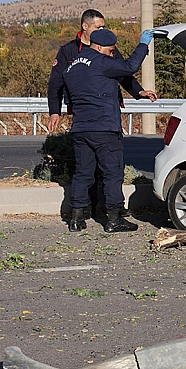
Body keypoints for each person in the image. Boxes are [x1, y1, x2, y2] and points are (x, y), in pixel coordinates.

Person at [62, 28, 154, 232]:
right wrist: (143, 44)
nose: (112, 54)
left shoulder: (71, 68)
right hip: (104, 127)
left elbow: (68, 100)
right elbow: (129, 66)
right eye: (111, 50)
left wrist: (138, 92)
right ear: (99, 47)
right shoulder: (101, 62)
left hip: (80, 129)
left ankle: (76, 218)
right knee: (113, 173)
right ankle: (114, 219)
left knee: (83, 173)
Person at [47, 9, 157, 133]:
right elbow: (55, 84)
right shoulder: (68, 50)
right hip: (81, 112)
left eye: (103, 27)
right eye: (98, 27)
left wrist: (139, 91)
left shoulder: (109, 48)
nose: (102, 30)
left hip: (106, 113)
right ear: (85, 26)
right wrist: (54, 112)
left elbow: (123, 73)